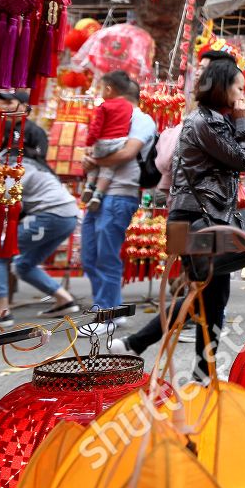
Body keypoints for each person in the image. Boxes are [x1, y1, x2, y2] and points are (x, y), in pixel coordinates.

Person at [113, 52, 245, 377]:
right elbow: (240, 159)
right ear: (223, 88)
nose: (242, 96)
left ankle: (186, 363)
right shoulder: (204, 121)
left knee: (207, 293)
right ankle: (173, 358)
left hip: (194, 217)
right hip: (196, 219)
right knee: (207, 293)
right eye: (238, 88)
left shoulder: (210, 120)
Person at [78, 73, 157, 331]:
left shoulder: (142, 120)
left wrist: (95, 161)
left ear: (112, 91)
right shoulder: (109, 116)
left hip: (121, 193)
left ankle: (106, 315)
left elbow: (127, 152)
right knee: (90, 255)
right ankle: (112, 307)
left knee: (106, 256)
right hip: (101, 194)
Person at [0, 122, 81, 324]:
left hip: (50, 216)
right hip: (66, 216)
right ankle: (64, 300)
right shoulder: (33, 161)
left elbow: (8, 199)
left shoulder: (16, 164)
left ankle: (0, 311)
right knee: (24, 264)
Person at [80, 71, 138, 211]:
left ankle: (89, 185)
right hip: (119, 142)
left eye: (101, 88)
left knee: (94, 162)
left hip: (103, 143)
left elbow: (95, 129)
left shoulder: (104, 106)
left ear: (108, 89)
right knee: (108, 169)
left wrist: (89, 143)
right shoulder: (129, 107)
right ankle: (98, 194)